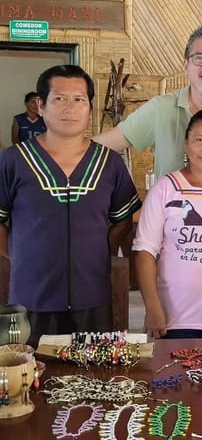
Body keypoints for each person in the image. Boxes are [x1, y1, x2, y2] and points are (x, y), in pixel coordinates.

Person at [0, 65, 142, 347]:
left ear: (90, 108)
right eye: (59, 99)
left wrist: (97, 249)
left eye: (79, 100)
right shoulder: (13, 161)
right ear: (41, 106)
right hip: (32, 297)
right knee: (31, 374)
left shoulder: (109, 163)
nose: (70, 108)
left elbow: (123, 220)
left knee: (92, 375)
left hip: (93, 295)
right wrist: (18, 256)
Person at [93, 23, 202, 178]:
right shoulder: (161, 109)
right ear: (186, 66)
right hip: (171, 215)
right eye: (199, 58)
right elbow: (101, 146)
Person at [133, 108, 202, 339]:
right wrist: (153, 307)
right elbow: (144, 251)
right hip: (175, 317)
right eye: (199, 140)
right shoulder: (165, 189)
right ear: (186, 144)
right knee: (175, 374)